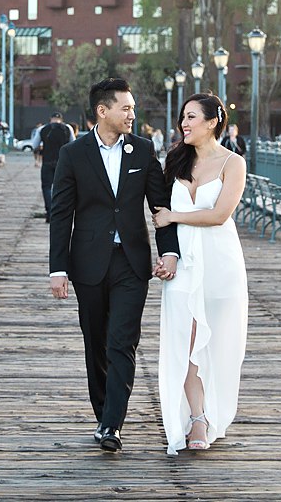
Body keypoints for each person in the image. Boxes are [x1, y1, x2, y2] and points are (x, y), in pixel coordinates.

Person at [49, 77, 180, 453]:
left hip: (131, 263)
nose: (132, 115)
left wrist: (168, 250)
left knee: (122, 341)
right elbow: (61, 215)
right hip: (87, 264)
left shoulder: (142, 150)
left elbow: (160, 207)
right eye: (126, 108)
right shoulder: (73, 154)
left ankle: (112, 426)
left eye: (133, 108)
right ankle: (104, 412)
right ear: (102, 111)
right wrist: (58, 269)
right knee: (96, 342)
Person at [151, 93, 248, 455]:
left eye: (191, 117)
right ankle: (196, 417)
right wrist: (168, 254)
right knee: (186, 341)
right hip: (185, 262)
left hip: (220, 262)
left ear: (212, 122)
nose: (184, 123)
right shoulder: (175, 159)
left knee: (218, 341)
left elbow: (220, 214)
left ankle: (213, 409)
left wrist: (174, 216)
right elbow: (158, 211)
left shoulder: (232, 163)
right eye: (182, 117)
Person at [38, 111, 75, 213]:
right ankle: (61, 211)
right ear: (61, 120)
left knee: (47, 187)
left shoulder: (43, 129)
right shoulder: (67, 128)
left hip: (47, 162)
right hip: (63, 163)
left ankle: (49, 211)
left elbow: (34, 144)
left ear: (50, 119)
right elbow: (73, 144)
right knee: (63, 187)